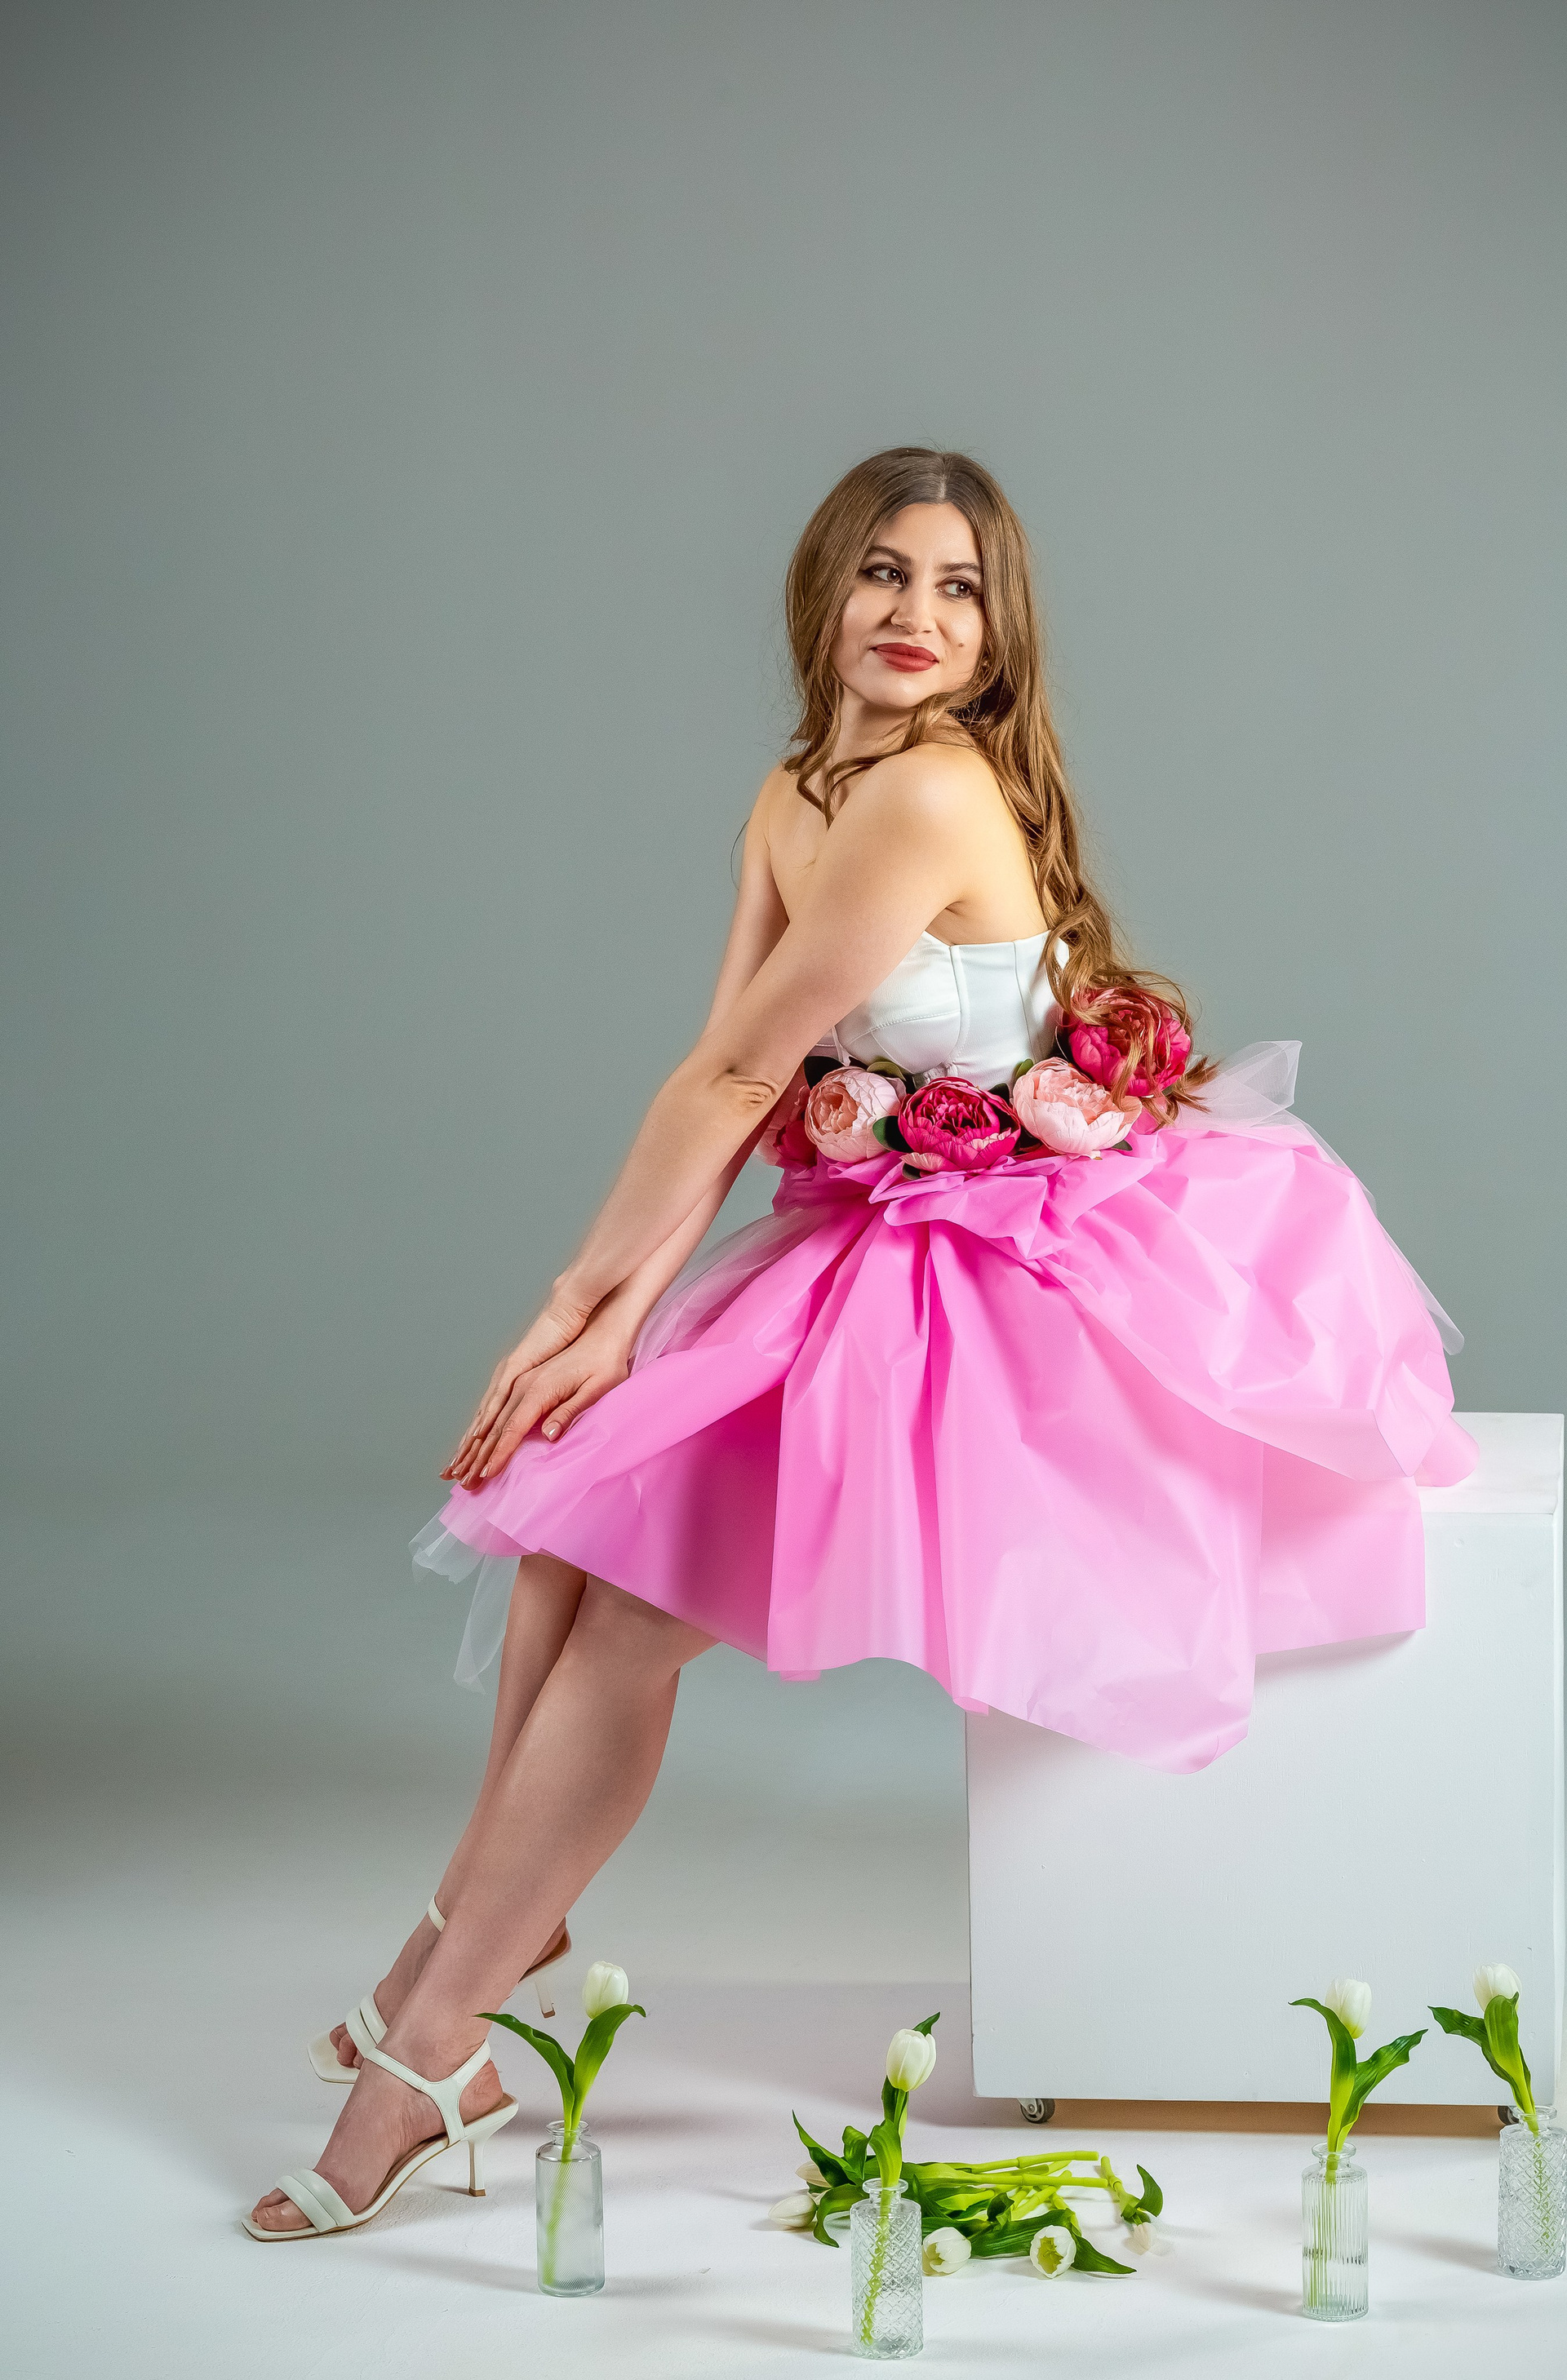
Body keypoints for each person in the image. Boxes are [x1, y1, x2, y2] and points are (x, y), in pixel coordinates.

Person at [246, 446, 1472, 2236]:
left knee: (631, 1602)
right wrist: (614, 1327)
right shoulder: (797, 791)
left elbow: (742, 1070)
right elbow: (738, 1082)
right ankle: (474, 1946)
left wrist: (570, 1310)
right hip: (879, 1226)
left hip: (1024, 1263)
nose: (916, 614)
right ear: (823, 587)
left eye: (959, 588)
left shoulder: (927, 794)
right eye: (886, 572)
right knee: (565, 1531)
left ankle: (433, 2045)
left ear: (997, 634)